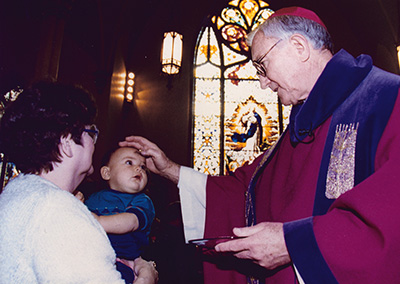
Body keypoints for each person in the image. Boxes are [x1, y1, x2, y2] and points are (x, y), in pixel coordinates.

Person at [119, 6, 400, 284]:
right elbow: (244, 189)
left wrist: (292, 243)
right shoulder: (300, 127)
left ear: (299, 47)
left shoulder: (387, 99)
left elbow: (390, 215)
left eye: (262, 66)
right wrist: (171, 169)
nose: (264, 83)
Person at [0, 81, 158, 283]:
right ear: (67, 143)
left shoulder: (17, 193)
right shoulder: (58, 210)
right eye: (92, 133)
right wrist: (146, 278)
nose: (94, 144)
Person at [85, 146, 156, 284]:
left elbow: (131, 222)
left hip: (124, 261)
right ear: (107, 173)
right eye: (129, 162)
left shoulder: (142, 201)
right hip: (93, 255)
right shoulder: (93, 199)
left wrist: (97, 221)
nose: (138, 169)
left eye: (143, 166)